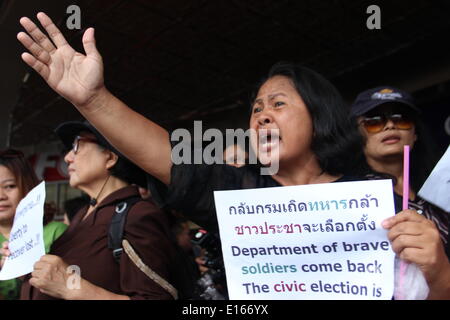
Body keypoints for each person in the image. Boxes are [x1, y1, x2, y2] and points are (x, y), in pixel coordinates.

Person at [16, 12, 450, 299]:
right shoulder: (237, 193)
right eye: (256, 109)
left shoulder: (377, 204)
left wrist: (439, 270)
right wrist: (93, 100)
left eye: (278, 104)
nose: (261, 116)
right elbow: (166, 154)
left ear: (319, 119)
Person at [17, 121, 179, 300]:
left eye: (77, 146)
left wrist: (75, 289)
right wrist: (29, 267)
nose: (67, 158)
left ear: (110, 158)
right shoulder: (83, 213)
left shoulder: (137, 215)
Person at [350, 87, 450, 299]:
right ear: (357, 135)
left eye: (401, 118)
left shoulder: (442, 192)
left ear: (414, 134)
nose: (390, 125)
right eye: (374, 121)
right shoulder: (348, 197)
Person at [0, 149, 67, 300]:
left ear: (28, 188)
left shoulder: (56, 232)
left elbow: (73, 286)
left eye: (10, 186)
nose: (1, 196)